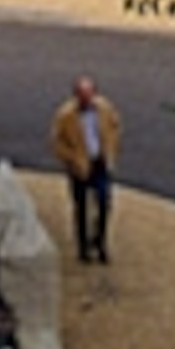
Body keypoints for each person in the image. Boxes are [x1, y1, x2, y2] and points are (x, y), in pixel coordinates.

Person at [49, 73, 122, 261]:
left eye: (89, 94)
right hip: (80, 165)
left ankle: (100, 241)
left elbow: (115, 127)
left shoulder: (105, 109)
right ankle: (83, 247)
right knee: (81, 207)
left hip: (100, 161)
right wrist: (72, 160)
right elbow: (57, 143)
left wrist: (111, 151)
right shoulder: (65, 116)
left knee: (104, 202)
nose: (86, 99)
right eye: (82, 95)